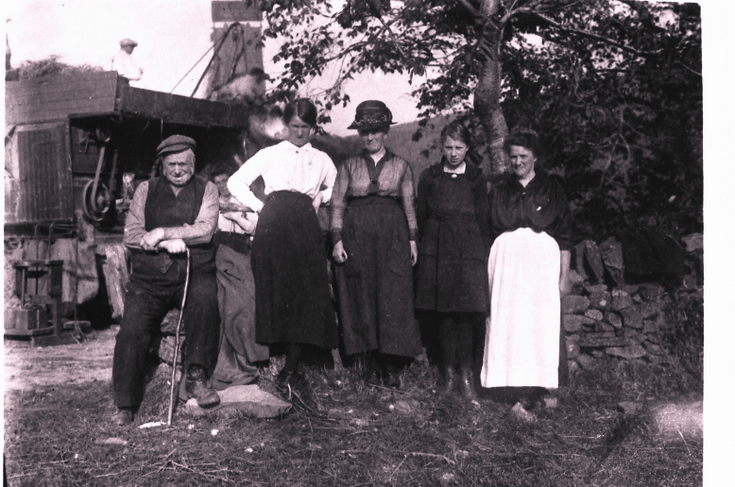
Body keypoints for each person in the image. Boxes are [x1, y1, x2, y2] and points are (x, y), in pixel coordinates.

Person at [227, 98, 338, 387]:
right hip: (273, 223)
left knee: (305, 287)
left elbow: (339, 187)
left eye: (305, 127)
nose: (299, 133)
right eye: (294, 126)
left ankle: (293, 362)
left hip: (304, 225)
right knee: (277, 284)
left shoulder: (322, 159)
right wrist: (261, 206)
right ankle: (275, 352)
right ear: (286, 125)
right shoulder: (270, 154)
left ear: (313, 128)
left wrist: (320, 197)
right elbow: (234, 182)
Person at [112, 135, 220, 426]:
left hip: (194, 272)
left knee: (206, 303)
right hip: (149, 280)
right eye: (171, 164)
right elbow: (132, 236)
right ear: (162, 164)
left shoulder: (208, 189)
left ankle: (196, 377)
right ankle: (125, 402)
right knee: (132, 329)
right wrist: (162, 243)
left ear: (193, 163)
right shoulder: (144, 190)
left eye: (183, 164)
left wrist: (162, 232)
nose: (176, 170)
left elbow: (206, 230)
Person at [330, 100, 422, 388]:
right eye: (364, 132)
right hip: (356, 234)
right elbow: (336, 204)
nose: (369, 137)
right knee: (362, 293)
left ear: (385, 132)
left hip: (392, 235)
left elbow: (409, 206)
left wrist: (412, 240)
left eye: (375, 131)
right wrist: (336, 239)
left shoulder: (401, 166)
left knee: (392, 294)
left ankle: (391, 363)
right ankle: (367, 362)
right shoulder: (348, 166)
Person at [480, 130, 572, 407]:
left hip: (541, 263)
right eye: (513, 157)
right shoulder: (499, 190)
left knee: (538, 321)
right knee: (509, 321)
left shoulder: (552, 188)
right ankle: (509, 384)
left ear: (535, 157)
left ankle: (540, 386)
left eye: (523, 156)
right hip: (506, 263)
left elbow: (565, 235)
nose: (518, 162)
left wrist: (564, 276)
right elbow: (486, 232)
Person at [415, 121, 491, 400]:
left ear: (468, 148)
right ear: (442, 147)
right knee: (445, 313)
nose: (454, 153)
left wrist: (480, 253)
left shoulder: (476, 178)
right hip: (439, 248)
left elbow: (483, 219)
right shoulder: (430, 176)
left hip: (469, 249)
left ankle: (467, 376)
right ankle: (447, 377)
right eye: (448, 147)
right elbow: (422, 215)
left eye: (459, 147)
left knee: (468, 314)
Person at [209, 165, 269, 389]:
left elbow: (254, 229)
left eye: (225, 179)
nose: (222, 185)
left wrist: (235, 215)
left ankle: (254, 354)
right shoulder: (212, 203)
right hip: (222, 250)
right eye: (217, 182)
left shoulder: (245, 199)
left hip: (243, 249)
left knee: (249, 293)